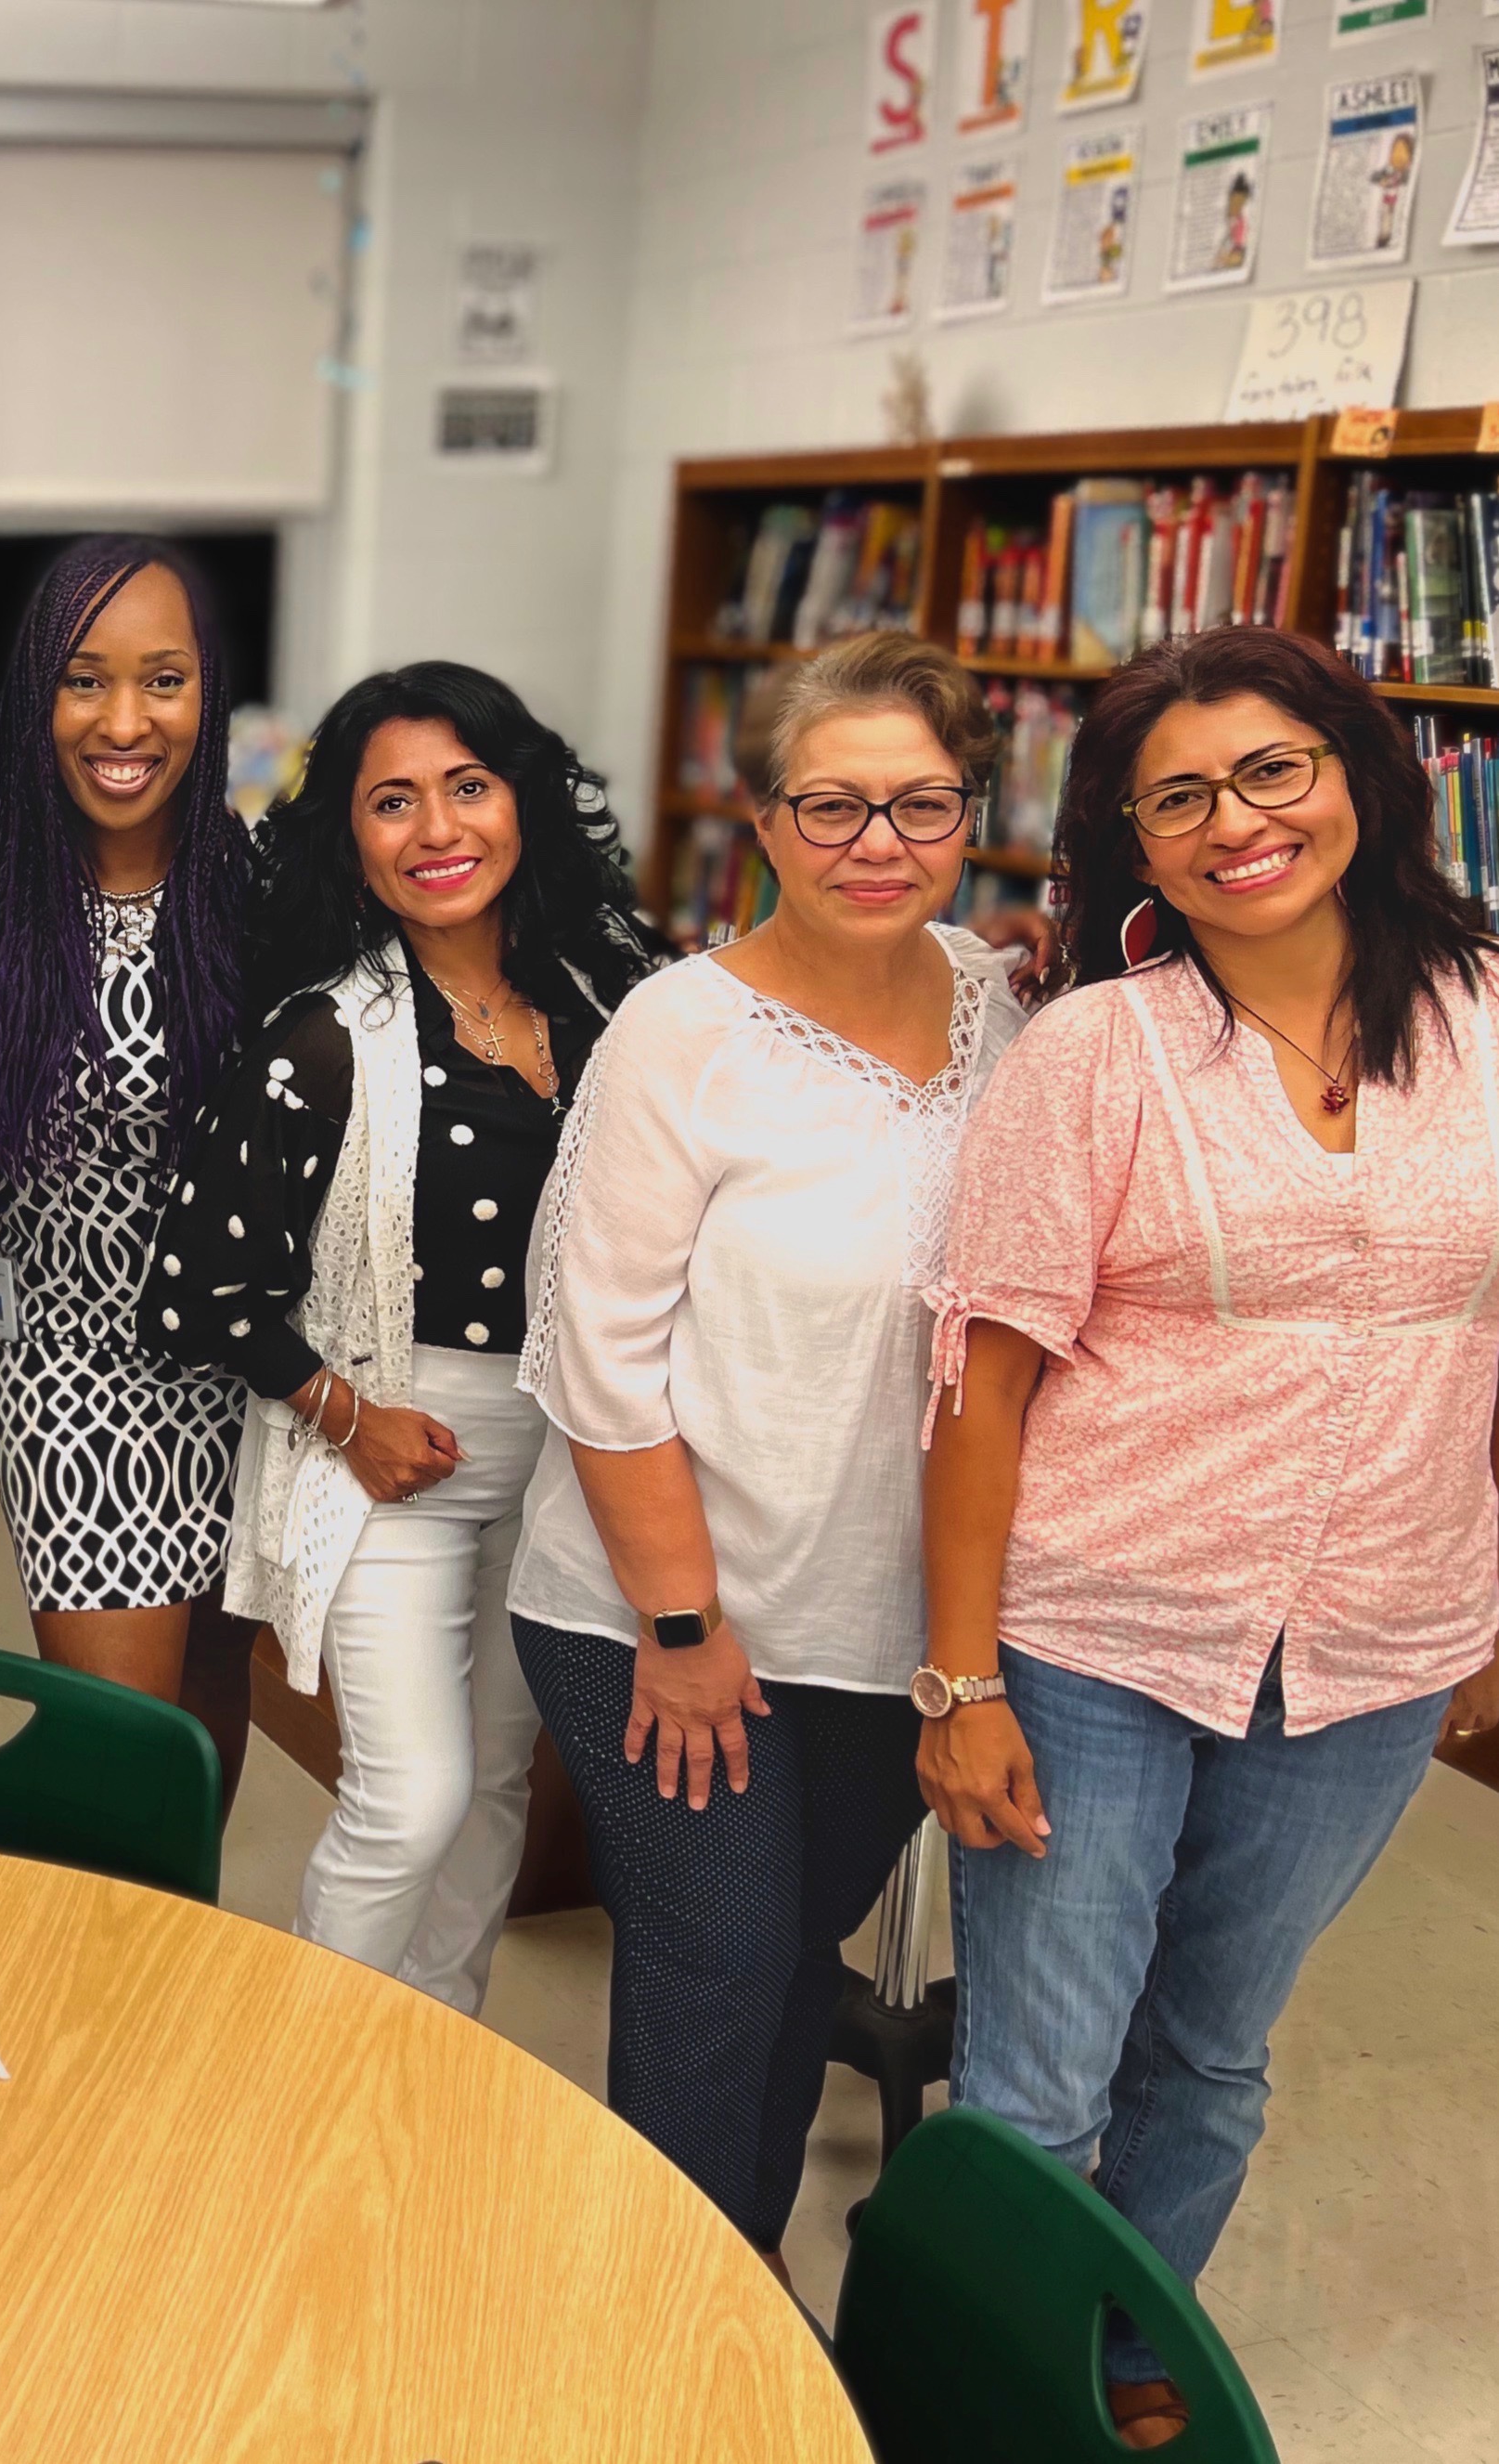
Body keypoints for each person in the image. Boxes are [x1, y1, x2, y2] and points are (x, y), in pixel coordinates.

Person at [922, 629, 1499, 2450]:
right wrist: (958, 1678)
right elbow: (977, 1376)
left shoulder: (1484, 1015)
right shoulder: (1093, 1051)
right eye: (1177, 796)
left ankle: (1101, 2367)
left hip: (1372, 1645)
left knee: (1210, 2053)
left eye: (1271, 769)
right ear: (1130, 846)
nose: (1235, 820)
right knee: (1030, 2082)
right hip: (1095, 1635)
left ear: (1354, 775)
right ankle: (960, 2394)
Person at [507, 630, 1026, 2272]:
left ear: (969, 813)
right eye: (829, 805)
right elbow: (595, 1356)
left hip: (880, 1620)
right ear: (759, 819)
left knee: (795, 1955)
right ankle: (664, 2329)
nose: (876, 843)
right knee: (713, 1966)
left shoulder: (1005, 1005)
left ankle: (734, 2295)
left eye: (919, 803)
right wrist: (679, 1625)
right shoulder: (683, 1034)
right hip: (657, 1609)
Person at [145, 662, 661, 2012]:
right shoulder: (323, 1038)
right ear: (349, 839)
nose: (437, 829)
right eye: (392, 802)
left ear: (524, 804)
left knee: (494, 1788)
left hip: (567, 1470)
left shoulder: (611, 1004)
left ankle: (432, 2061)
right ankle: (304, 2076)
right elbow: (197, 1286)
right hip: (396, 1467)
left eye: (467, 787)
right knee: (410, 1796)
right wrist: (342, 1416)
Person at [0, 539, 253, 1798]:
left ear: (208, 693)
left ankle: (177, 1976)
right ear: (33, 696)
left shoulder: (260, 884)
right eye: (84, 680)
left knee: (215, 1754)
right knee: (123, 1762)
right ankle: (105, 1975)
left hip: (254, 1367)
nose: (124, 722)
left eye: (163, 680)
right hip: (75, 1369)